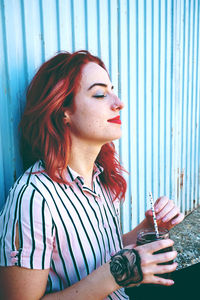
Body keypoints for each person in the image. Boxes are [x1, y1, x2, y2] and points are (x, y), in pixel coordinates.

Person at [0, 50, 184, 300]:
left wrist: (149, 229)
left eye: (112, 89)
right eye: (100, 94)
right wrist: (116, 275)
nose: (119, 102)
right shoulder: (33, 198)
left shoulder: (100, 177)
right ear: (63, 111)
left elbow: (97, 252)